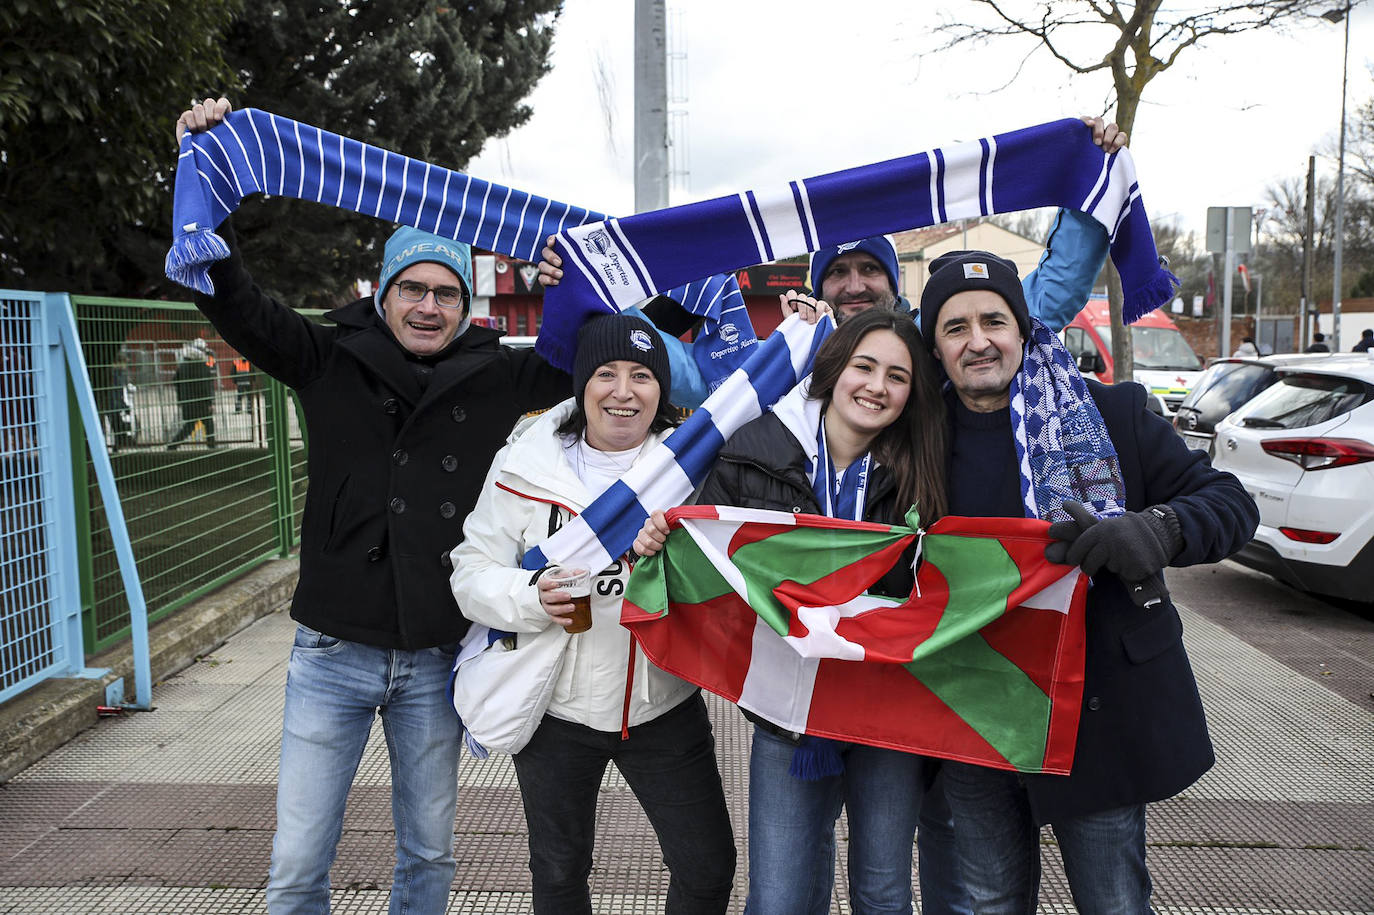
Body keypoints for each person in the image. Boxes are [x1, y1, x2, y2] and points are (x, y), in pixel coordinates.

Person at [176, 97, 573, 915]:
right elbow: (234, 298)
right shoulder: (325, 356)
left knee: (428, 854)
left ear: (467, 304)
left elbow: (594, 358)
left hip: (434, 651)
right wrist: (203, 168)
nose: (429, 306)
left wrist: (615, 280)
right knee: (296, 862)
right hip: (332, 650)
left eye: (446, 293)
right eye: (413, 289)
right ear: (384, 292)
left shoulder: (498, 374)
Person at [915, 249, 1258, 912]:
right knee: (988, 900)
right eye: (956, 326)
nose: (979, 340)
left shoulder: (1114, 413)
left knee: (1113, 900)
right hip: (974, 720)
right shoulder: (914, 439)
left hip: (1093, 713)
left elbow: (1230, 503)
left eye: (994, 320)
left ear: (1024, 329)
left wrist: (1157, 528)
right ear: (935, 345)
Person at [636, 307, 965, 914]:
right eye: (864, 367)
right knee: (780, 897)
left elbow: (944, 584)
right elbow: (711, 557)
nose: (877, 386)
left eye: (897, 376)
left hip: (888, 709)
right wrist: (661, 541)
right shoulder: (756, 444)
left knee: (885, 892)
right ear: (833, 369)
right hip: (790, 709)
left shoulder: (923, 462)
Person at [450, 313, 736, 914]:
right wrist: (533, 595)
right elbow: (470, 572)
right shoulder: (525, 463)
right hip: (556, 710)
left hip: (664, 708)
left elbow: (726, 577)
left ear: (663, 389)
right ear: (583, 385)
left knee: (708, 868)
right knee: (558, 873)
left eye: (642, 376)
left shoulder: (691, 469)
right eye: (606, 373)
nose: (623, 392)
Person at [791, 117, 1129, 332]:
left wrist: (1089, 175)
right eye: (837, 271)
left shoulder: (932, 337)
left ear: (894, 282)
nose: (854, 286)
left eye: (869, 268)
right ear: (817, 285)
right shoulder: (789, 354)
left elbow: (1049, 297)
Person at [167, 337, 217, 449]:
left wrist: (182, 397)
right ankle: (212, 446)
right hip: (201, 402)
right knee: (208, 424)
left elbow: (175, 381)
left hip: (188, 402)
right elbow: (206, 384)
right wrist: (210, 402)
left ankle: (173, 445)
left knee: (189, 426)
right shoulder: (201, 364)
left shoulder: (184, 364)